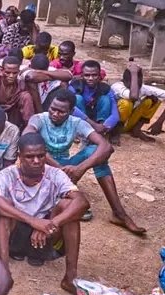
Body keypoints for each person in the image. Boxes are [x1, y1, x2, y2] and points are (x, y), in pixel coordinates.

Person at [24, 89, 145, 235]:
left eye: (61, 111)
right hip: (43, 167)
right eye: (52, 109)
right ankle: (62, 199)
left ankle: (119, 213)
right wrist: (60, 169)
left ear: (71, 111)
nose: (55, 114)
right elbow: (26, 139)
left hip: (67, 168)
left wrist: (81, 168)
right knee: (31, 149)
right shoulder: (39, 119)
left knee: (96, 151)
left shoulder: (76, 122)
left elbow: (106, 147)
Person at [0, 134, 89, 294]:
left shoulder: (55, 174)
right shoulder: (7, 174)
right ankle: (4, 272)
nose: (36, 161)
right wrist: (32, 221)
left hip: (46, 235)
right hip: (15, 236)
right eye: (29, 157)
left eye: (41, 155)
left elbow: (82, 202)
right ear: (19, 156)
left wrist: (51, 223)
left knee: (69, 207)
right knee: (3, 208)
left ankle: (70, 277)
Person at [112, 61, 165, 139]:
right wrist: (134, 73)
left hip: (128, 124)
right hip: (112, 125)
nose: (137, 84)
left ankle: (136, 130)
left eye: (139, 81)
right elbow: (133, 96)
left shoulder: (142, 88)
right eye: (134, 81)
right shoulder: (117, 86)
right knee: (126, 103)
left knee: (153, 100)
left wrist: (159, 122)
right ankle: (114, 133)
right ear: (124, 80)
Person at [0, 56, 35, 128]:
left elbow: (26, 104)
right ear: (2, 70)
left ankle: (29, 127)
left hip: (13, 114)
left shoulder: (20, 84)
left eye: (14, 73)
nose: (11, 76)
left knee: (26, 96)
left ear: (18, 72)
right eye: (8, 72)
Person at [69, 60, 120, 138]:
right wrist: (93, 125)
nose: (90, 78)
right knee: (77, 98)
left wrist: (104, 127)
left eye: (94, 75)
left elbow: (115, 115)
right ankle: (80, 131)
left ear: (99, 76)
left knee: (105, 99)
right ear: (82, 75)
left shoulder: (106, 89)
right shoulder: (74, 86)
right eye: (87, 75)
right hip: (82, 121)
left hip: (98, 121)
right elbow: (70, 108)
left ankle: (100, 133)